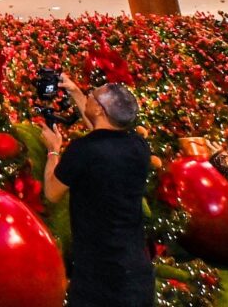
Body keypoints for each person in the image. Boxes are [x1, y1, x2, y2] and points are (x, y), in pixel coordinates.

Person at [41, 77, 153, 307]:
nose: (88, 96)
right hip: (137, 274)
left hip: (98, 278)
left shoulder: (84, 151)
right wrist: (74, 91)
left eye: (91, 95)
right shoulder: (139, 147)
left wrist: (53, 151)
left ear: (100, 109)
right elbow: (102, 131)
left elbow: (52, 192)